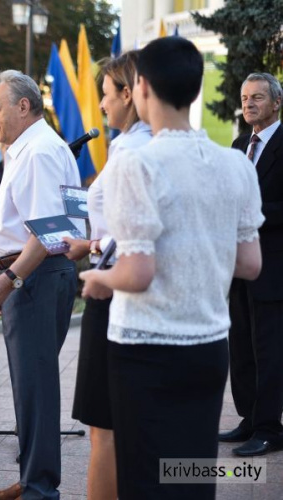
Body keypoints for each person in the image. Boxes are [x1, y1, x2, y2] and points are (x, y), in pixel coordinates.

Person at [79, 37, 264, 499]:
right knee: (192, 471)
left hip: (146, 346)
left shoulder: (137, 163)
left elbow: (136, 273)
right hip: (207, 344)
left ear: (140, 88)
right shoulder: (235, 164)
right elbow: (250, 263)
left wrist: (98, 278)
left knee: (145, 476)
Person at [0, 69, 83, 500]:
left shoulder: (38, 152)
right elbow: (68, 220)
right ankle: (33, 475)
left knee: (35, 387)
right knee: (31, 386)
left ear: (23, 105)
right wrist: (5, 272)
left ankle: (39, 487)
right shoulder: (40, 148)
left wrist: (10, 278)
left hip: (34, 276)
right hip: (34, 275)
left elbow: (52, 231)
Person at [62, 51, 151, 500]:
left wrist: (91, 247)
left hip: (114, 287)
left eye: (104, 95)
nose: (100, 106)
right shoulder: (153, 145)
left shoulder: (129, 149)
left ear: (128, 93)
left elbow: (128, 235)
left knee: (105, 427)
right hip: (141, 294)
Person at [221, 72, 283, 457]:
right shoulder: (239, 143)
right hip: (239, 266)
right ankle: (249, 419)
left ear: (276, 102)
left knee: (269, 351)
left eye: (257, 97)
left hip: (274, 270)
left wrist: (249, 213)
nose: (249, 104)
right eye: (245, 98)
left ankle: (269, 429)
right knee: (241, 347)